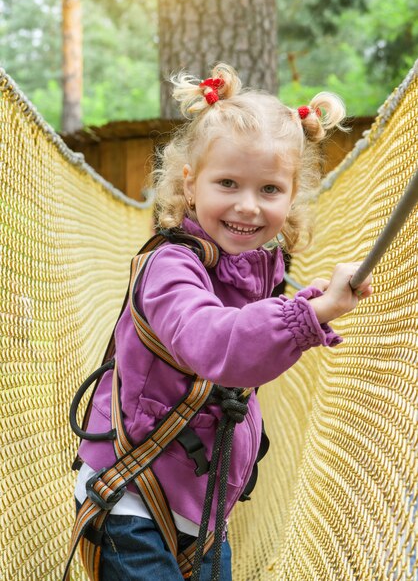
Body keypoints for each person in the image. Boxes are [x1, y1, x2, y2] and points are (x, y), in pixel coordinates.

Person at [72, 63, 373, 581]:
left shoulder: (260, 269)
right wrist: (309, 314)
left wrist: (307, 301)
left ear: (293, 194)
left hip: (204, 509)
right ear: (190, 185)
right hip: (131, 500)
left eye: (270, 190)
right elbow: (214, 341)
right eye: (228, 183)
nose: (248, 207)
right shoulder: (171, 265)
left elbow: (251, 323)